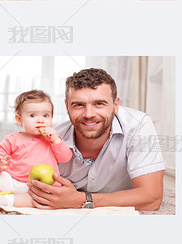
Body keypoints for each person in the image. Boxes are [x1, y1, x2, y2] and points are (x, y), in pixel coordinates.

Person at [28, 69, 165, 211]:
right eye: (79, 105)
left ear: (115, 105)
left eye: (99, 103)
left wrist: (81, 200)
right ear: (67, 107)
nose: (89, 114)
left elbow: (151, 198)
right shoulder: (51, 139)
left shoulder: (138, 126)